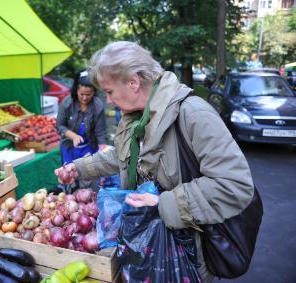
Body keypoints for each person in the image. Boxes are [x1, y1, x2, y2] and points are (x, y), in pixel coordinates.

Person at [54, 41, 254, 283]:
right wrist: (80, 168)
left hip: (185, 257)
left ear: (133, 82)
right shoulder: (135, 117)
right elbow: (123, 155)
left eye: (109, 91)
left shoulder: (193, 114)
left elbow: (235, 185)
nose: (107, 101)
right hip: (145, 247)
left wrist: (163, 203)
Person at [57, 69, 107, 164]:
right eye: (82, 94)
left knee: (89, 174)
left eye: (88, 94)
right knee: (70, 174)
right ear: (76, 90)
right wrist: (73, 136)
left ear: (94, 92)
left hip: (89, 147)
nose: (85, 98)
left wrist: (103, 149)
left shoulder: (98, 105)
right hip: (69, 147)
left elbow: (100, 132)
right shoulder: (67, 103)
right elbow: (60, 125)